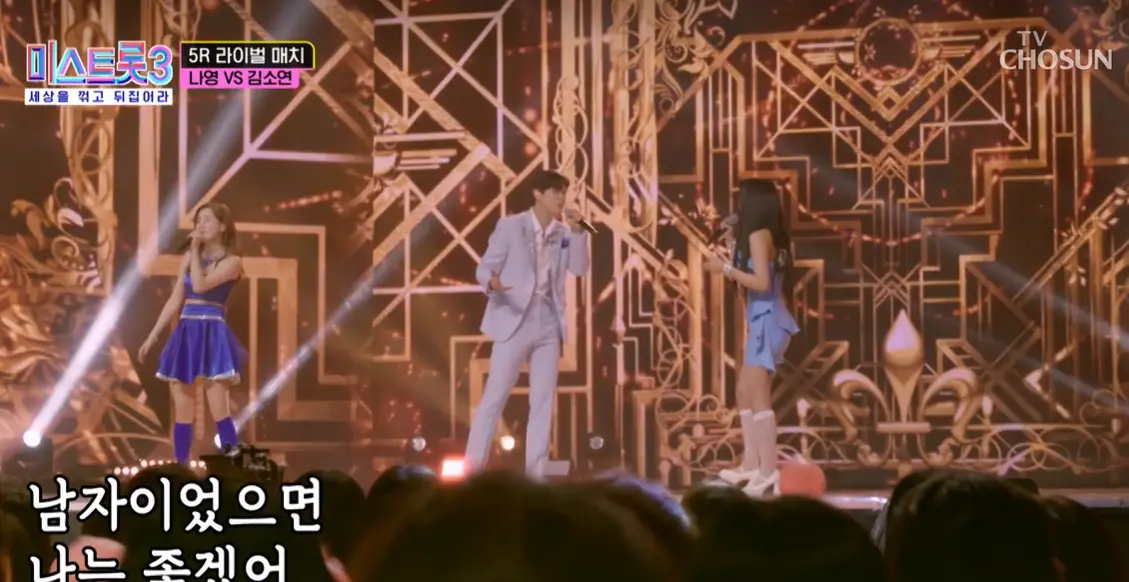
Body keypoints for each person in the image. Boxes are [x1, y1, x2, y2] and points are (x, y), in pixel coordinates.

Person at [465, 169, 590, 478]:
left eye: (563, 191)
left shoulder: (564, 234)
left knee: (543, 401)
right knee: (495, 397)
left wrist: (578, 233)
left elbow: (579, 268)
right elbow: (484, 268)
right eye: (555, 191)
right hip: (514, 318)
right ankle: (472, 472)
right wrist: (492, 284)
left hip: (548, 323)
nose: (561, 197)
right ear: (537, 194)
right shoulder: (510, 226)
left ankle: (536, 476)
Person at [705, 179, 799, 496]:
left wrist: (724, 269)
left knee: (758, 394)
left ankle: (768, 471)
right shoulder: (762, 236)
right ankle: (750, 464)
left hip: (769, 320)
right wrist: (732, 244)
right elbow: (751, 279)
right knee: (744, 391)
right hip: (761, 321)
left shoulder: (760, 235)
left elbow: (760, 283)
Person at [139, 202, 246, 464]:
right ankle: (181, 469)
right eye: (198, 221)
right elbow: (176, 298)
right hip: (186, 332)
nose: (200, 225)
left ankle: (232, 467)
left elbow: (200, 284)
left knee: (219, 408)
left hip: (212, 333)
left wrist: (195, 251)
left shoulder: (232, 262)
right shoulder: (189, 258)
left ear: (223, 226)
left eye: (207, 220)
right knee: (182, 412)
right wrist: (153, 335)